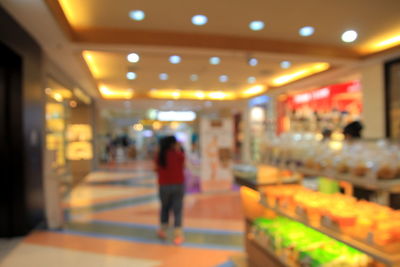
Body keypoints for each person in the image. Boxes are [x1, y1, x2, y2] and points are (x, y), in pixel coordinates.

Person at [155, 136, 185, 245]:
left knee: (164, 207)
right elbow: (183, 165)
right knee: (177, 210)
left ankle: (163, 229)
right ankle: (178, 235)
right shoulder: (178, 154)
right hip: (178, 185)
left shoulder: (159, 155)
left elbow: (155, 169)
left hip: (164, 186)